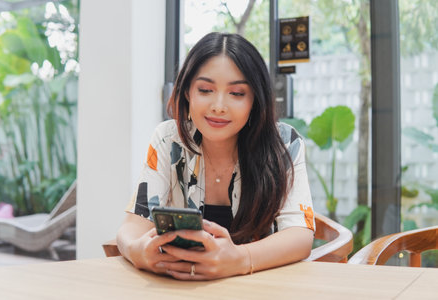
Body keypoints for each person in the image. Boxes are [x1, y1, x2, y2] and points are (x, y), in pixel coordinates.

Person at [117, 32, 315, 281]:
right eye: (206, 89)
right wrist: (138, 252)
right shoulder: (168, 139)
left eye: (237, 93)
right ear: (188, 92)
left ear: (255, 99)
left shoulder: (284, 143)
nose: (219, 106)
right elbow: (131, 228)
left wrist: (240, 260)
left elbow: (300, 235)